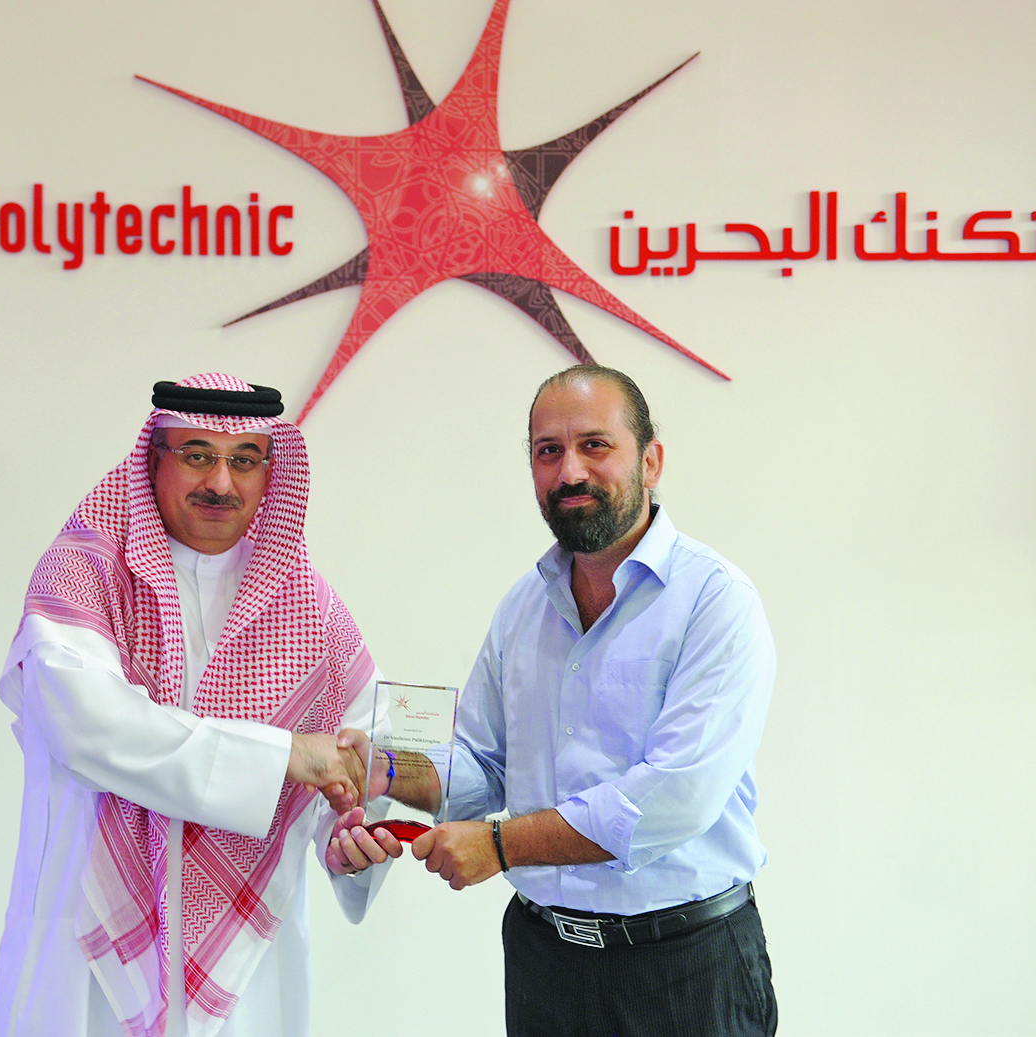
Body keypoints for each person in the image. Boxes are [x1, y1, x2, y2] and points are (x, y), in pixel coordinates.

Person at [330, 365, 778, 1036]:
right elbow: (483, 766)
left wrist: (501, 845)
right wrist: (383, 769)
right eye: (548, 451)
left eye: (595, 445)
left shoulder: (715, 601)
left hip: (685, 968)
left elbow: (676, 796)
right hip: (544, 961)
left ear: (651, 461)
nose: (569, 471)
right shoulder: (523, 606)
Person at [0, 373, 388, 1037]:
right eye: (198, 454)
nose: (222, 482)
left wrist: (344, 841)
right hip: (87, 929)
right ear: (154, 458)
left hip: (247, 964)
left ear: (270, 472)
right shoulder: (82, 574)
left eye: (245, 460)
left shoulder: (309, 606)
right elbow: (90, 728)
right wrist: (286, 754)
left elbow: (361, 755)